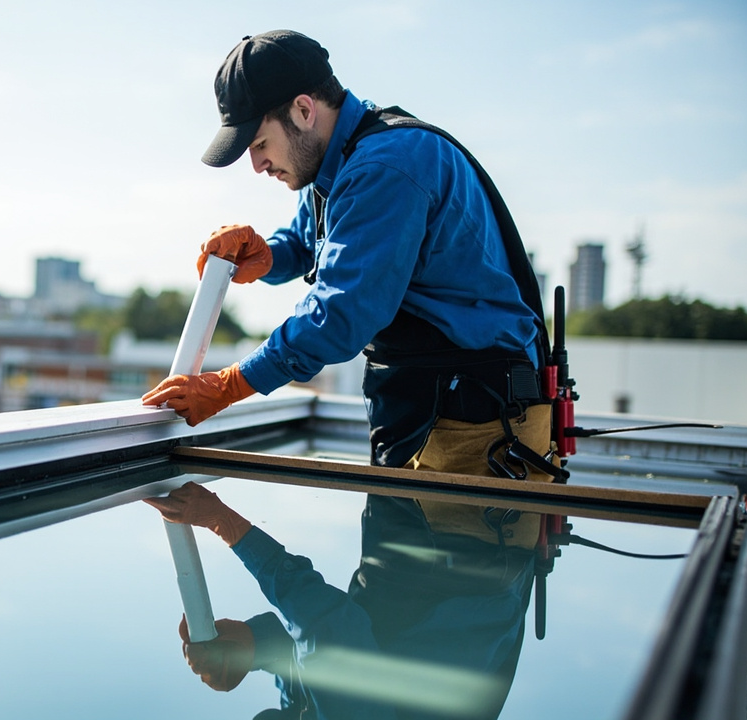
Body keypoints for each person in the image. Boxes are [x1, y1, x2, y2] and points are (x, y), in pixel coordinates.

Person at [141, 30, 560, 482]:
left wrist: (230, 385)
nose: (257, 166)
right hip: (426, 405)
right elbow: (306, 244)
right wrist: (265, 256)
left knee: (452, 554)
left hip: (477, 418)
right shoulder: (336, 160)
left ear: (303, 110)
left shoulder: (385, 166)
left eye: (259, 144)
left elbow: (341, 314)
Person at [146, 481, 536, 719]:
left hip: (458, 570)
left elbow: (310, 665)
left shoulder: (304, 712)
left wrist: (253, 648)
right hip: (455, 555)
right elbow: (333, 633)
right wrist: (222, 522)